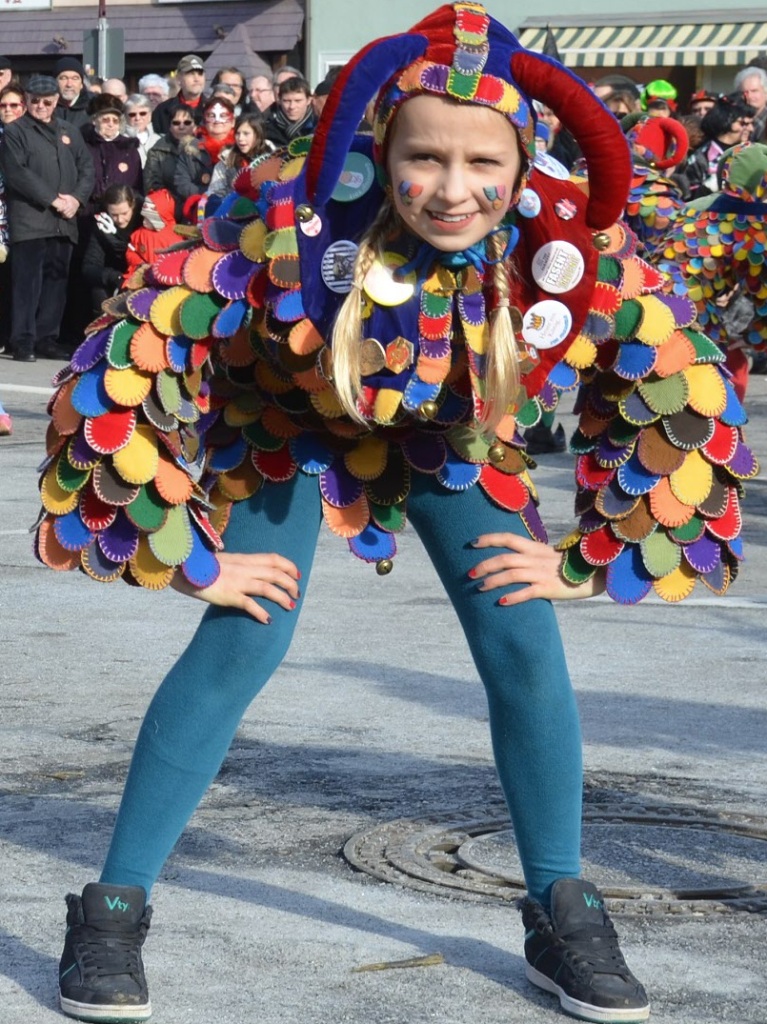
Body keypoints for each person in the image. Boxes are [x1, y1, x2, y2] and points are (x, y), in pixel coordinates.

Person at [36, 5, 755, 1024]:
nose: (453, 189)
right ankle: (111, 902)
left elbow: (682, 390)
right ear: (382, 148)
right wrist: (191, 552)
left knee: (520, 634)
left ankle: (559, 902)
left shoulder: (563, 250)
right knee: (246, 634)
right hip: (284, 422)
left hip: (453, 439)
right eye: (426, 157)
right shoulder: (283, 222)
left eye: (481, 164)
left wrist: (598, 551)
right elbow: (125, 353)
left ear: (521, 166)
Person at [0, 73, 93, 361]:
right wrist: (53, 200)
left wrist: (76, 199)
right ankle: (24, 340)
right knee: (27, 285)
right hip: (31, 220)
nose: (41, 106)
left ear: (56, 102)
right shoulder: (16, 131)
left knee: (56, 283)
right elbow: (18, 173)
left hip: (64, 221)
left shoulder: (69, 130)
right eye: (35, 101)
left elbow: (86, 167)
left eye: (47, 101)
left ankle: (46, 338)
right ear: (27, 101)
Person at [81, 183, 141, 318]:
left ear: (133, 205)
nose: (120, 220)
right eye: (114, 215)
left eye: (124, 213)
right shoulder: (101, 223)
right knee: (98, 289)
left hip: (140, 273)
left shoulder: (144, 219)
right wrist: (113, 277)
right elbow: (89, 266)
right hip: (115, 274)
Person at [681, 94, 755, 198]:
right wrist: (707, 188)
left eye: (752, 123)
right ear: (726, 121)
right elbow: (688, 196)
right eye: (744, 123)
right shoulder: (701, 157)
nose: (751, 129)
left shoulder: (752, 151)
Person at [174, 95, 235, 221]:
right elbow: (182, 183)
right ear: (204, 119)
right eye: (211, 116)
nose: (217, 121)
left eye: (223, 115)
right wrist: (210, 195)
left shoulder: (242, 147)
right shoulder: (190, 149)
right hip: (199, 211)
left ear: (233, 121)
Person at [80, 94, 143, 217]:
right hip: (89, 213)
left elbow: (137, 185)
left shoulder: (129, 149)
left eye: (115, 120)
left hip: (122, 214)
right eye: (105, 120)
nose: (111, 124)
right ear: (94, 120)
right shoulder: (84, 146)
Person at [206, 111, 272, 200]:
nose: (240, 138)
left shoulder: (273, 157)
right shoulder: (227, 159)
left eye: (246, 133)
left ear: (258, 135)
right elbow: (214, 193)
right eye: (237, 133)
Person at [152, 54, 206, 135]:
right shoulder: (162, 111)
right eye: (191, 73)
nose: (196, 79)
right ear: (178, 78)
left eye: (200, 74)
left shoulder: (212, 110)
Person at [263, 75, 316, 148]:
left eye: (298, 101)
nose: (292, 106)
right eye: (286, 101)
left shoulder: (319, 127)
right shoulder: (267, 129)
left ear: (309, 100)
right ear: (279, 100)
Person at [123, 94, 161, 167]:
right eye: (132, 114)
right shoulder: (120, 142)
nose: (137, 118)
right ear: (125, 117)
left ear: (150, 115)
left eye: (143, 113)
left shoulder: (159, 140)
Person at [54, 56, 92, 129]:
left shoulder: (93, 107)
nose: (69, 84)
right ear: (55, 82)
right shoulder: (46, 106)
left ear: (81, 84)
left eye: (75, 78)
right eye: (63, 78)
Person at [733, 65, 767, 140]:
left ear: (765, 92)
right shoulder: (735, 123)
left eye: (754, 91)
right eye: (745, 92)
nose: (749, 96)